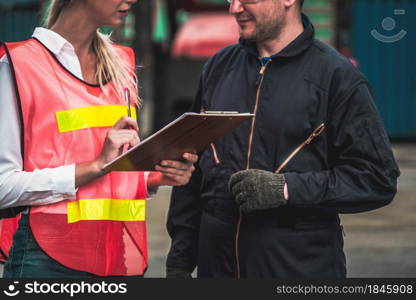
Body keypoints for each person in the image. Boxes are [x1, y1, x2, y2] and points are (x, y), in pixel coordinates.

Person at [165, 0, 400, 278]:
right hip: (217, 270)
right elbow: (191, 170)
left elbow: (377, 178)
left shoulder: (337, 79)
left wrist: (287, 189)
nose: (234, 8)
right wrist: (179, 263)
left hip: (296, 269)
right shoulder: (218, 68)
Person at [0, 0, 197, 277]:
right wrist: (94, 166)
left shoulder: (123, 64)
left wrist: (152, 177)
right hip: (45, 262)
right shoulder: (18, 65)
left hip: (116, 258)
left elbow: (112, 172)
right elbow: (2, 187)